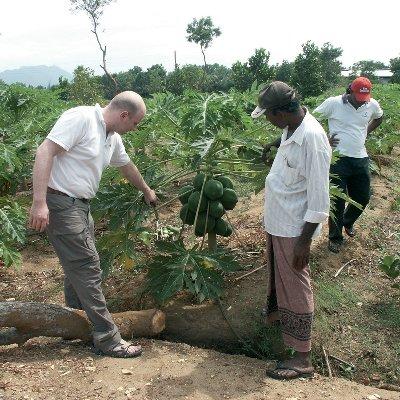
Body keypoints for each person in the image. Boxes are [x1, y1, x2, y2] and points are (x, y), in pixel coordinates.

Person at [29, 91, 157, 357]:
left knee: (75, 269)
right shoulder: (82, 119)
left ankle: (76, 324)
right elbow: (45, 150)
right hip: (61, 203)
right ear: (124, 115)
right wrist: (39, 203)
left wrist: (146, 190)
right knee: (87, 267)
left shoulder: (113, 137)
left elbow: (126, 166)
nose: (135, 128)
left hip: (81, 206)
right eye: (135, 123)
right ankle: (108, 338)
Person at [252, 81, 331, 379]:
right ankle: (281, 325)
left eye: (269, 115)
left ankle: (302, 358)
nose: (269, 121)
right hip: (279, 221)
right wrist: (276, 143)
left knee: (296, 284)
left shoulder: (312, 138)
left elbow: (320, 199)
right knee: (281, 280)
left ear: (281, 112)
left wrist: (304, 242)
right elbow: (287, 145)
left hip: (294, 228)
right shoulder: (291, 128)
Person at [314, 77, 383, 253]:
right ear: (350, 91)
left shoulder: (371, 105)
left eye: (364, 99)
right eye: (358, 98)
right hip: (338, 159)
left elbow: (379, 118)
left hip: (360, 158)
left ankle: (347, 221)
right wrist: (325, 138)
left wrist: (365, 132)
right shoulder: (333, 104)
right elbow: (312, 121)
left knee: (363, 197)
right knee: (337, 200)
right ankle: (335, 237)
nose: (361, 103)